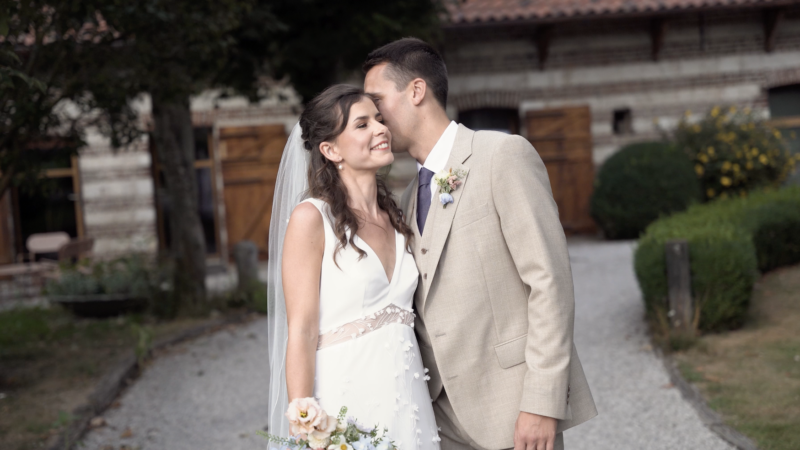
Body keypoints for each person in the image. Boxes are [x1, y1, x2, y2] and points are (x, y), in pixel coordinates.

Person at [363, 38, 598, 450]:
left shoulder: (502, 155)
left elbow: (549, 282)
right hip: (438, 418)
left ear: (416, 91)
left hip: (512, 410)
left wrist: (542, 403)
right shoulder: (404, 198)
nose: (374, 118)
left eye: (377, 101)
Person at [268, 84, 441, 449]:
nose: (381, 129)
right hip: (345, 398)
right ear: (330, 150)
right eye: (362, 125)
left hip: (409, 400)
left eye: (379, 120)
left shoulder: (398, 215)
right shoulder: (311, 219)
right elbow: (300, 329)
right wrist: (306, 420)